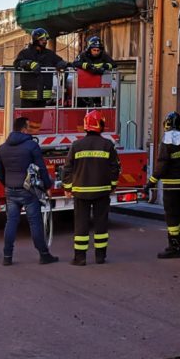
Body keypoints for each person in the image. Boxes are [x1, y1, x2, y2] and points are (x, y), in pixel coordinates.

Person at [0, 117, 58, 266]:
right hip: (29, 191)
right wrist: (47, 186)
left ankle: (7, 256)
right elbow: (41, 169)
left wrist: (8, 183)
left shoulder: (3, 148)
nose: (29, 129)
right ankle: (44, 254)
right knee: (35, 223)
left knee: (11, 222)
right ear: (23, 129)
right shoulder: (31, 146)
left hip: (11, 190)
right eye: (28, 127)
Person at [63, 110, 120, 265]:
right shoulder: (107, 145)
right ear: (100, 125)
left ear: (86, 125)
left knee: (81, 225)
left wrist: (68, 188)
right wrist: (112, 186)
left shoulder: (77, 145)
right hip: (102, 191)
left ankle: (80, 258)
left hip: (81, 193)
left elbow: (67, 169)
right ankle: (100, 257)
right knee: (101, 223)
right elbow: (115, 169)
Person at [148, 112, 180, 260]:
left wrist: (151, 182)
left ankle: (174, 247)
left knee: (172, 217)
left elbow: (162, 165)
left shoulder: (167, 141)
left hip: (171, 187)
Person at [13, 28, 67, 107]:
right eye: (42, 39)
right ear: (35, 40)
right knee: (27, 119)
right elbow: (17, 64)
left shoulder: (49, 54)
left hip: (43, 97)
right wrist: (29, 64)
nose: (45, 41)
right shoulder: (25, 53)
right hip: (28, 98)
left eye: (46, 39)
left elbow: (60, 61)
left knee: (38, 119)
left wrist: (61, 64)